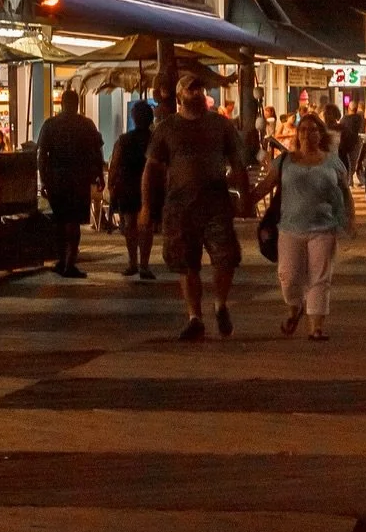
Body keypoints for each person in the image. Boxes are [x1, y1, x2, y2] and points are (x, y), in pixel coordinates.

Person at [139, 73, 252, 340]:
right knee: (186, 262)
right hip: (180, 205)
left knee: (225, 257)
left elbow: (237, 163)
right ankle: (194, 317)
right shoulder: (167, 128)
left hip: (216, 202)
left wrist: (245, 196)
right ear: (180, 96)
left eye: (200, 89)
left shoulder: (220, 125)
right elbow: (151, 169)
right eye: (191, 90)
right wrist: (146, 206)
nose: (197, 93)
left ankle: (220, 304)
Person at [258, 110, 355, 341]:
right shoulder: (285, 161)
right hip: (290, 228)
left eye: (313, 130)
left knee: (319, 278)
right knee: (288, 276)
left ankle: (316, 327)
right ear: (297, 134)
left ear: (321, 134)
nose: (307, 134)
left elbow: (344, 192)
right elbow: (266, 185)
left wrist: (349, 218)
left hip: (324, 227)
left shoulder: (332, 162)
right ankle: (295, 306)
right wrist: (242, 203)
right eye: (303, 129)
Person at [36, 89, 105, 279]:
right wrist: (99, 175)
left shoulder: (50, 125)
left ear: (61, 103)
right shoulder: (86, 124)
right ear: (77, 104)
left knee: (60, 221)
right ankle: (69, 262)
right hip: (79, 179)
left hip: (56, 178)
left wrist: (44, 179)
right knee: (73, 222)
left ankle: (62, 260)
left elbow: (42, 155)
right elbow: (97, 152)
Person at [108, 99, 157, 280]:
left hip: (128, 185)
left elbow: (115, 163)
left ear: (134, 118)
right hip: (149, 186)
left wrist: (111, 184)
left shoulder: (124, 140)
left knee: (130, 226)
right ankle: (144, 264)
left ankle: (132, 262)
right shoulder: (154, 139)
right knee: (146, 227)